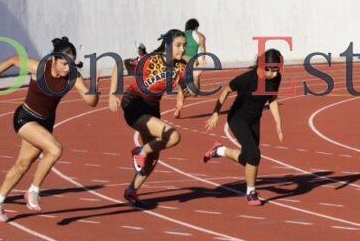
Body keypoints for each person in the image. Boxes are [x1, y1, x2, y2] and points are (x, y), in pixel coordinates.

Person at [0, 37, 99, 222]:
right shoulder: (39, 68)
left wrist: (94, 87)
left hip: (45, 123)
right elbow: (13, 59)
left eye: (71, 64)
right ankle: (33, 191)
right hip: (25, 118)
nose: (68, 68)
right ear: (54, 60)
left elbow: (91, 102)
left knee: (22, 164)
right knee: (55, 149)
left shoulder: (73, 76)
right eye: (64, 63)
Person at [108, 30, 188, 205]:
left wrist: (192, 80)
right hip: (134, 105)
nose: (182, 49)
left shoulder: (180, 66)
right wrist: (113, 93)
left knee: (153, 156)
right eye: (178, 45)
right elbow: (119, 65)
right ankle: (140, 151)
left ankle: (131, 191)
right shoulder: (150, 60)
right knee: (173, 136)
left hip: (152, 109)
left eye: (184, 45)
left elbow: (189, 91)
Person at [202, 49, 284, 206]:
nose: (274, 74)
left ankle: (219, 150)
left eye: (276, 70)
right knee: (254, 155)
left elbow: (272, 98)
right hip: (237, 119)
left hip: (254, 120)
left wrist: (278, 123)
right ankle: (251, 193)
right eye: (271, 70)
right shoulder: (247, 79)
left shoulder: (276, 78)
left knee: (247, 158)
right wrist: (215, 113)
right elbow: (226, 90)